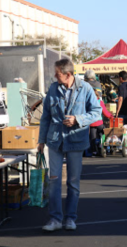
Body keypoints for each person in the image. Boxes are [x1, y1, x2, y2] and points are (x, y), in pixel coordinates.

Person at [39, 59, 102, 232]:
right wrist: (41, 140)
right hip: (54, 140)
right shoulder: (53, 88)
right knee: (54, 180)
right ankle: (55, 219)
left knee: (73, 181)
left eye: (57, 73)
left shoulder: (86, 89)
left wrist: (78, 120)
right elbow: (45, 117)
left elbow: (97, 112)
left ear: (68, 75)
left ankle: (70, 218)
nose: (54, 76)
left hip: (76, 140)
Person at [89, 85, 113, 156]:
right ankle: (103, 147)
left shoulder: (87, 102)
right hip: (99, 123)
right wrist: (111, 117)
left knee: (92, 138)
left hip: (91, 123)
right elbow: (105, 112)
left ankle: (94, 151)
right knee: (104, 134)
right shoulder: (100, 102)